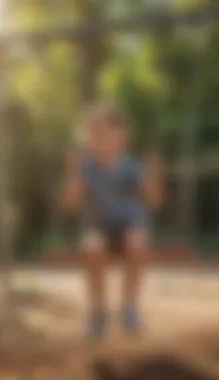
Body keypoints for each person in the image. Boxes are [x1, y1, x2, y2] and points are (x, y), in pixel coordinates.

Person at [62, 101, 163, 340]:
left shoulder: (131, 166)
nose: (100, 139)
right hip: (97, 226)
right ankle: (98, 311)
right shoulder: (84, 166)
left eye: (105, 132)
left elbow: (153, 200)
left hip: (127, 225)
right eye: (93, 134)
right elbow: (71, 203)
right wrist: (73, 174)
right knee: (93, 247)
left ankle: (129, 307)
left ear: (121, 137)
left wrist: (151, 176)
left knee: (136, 243)